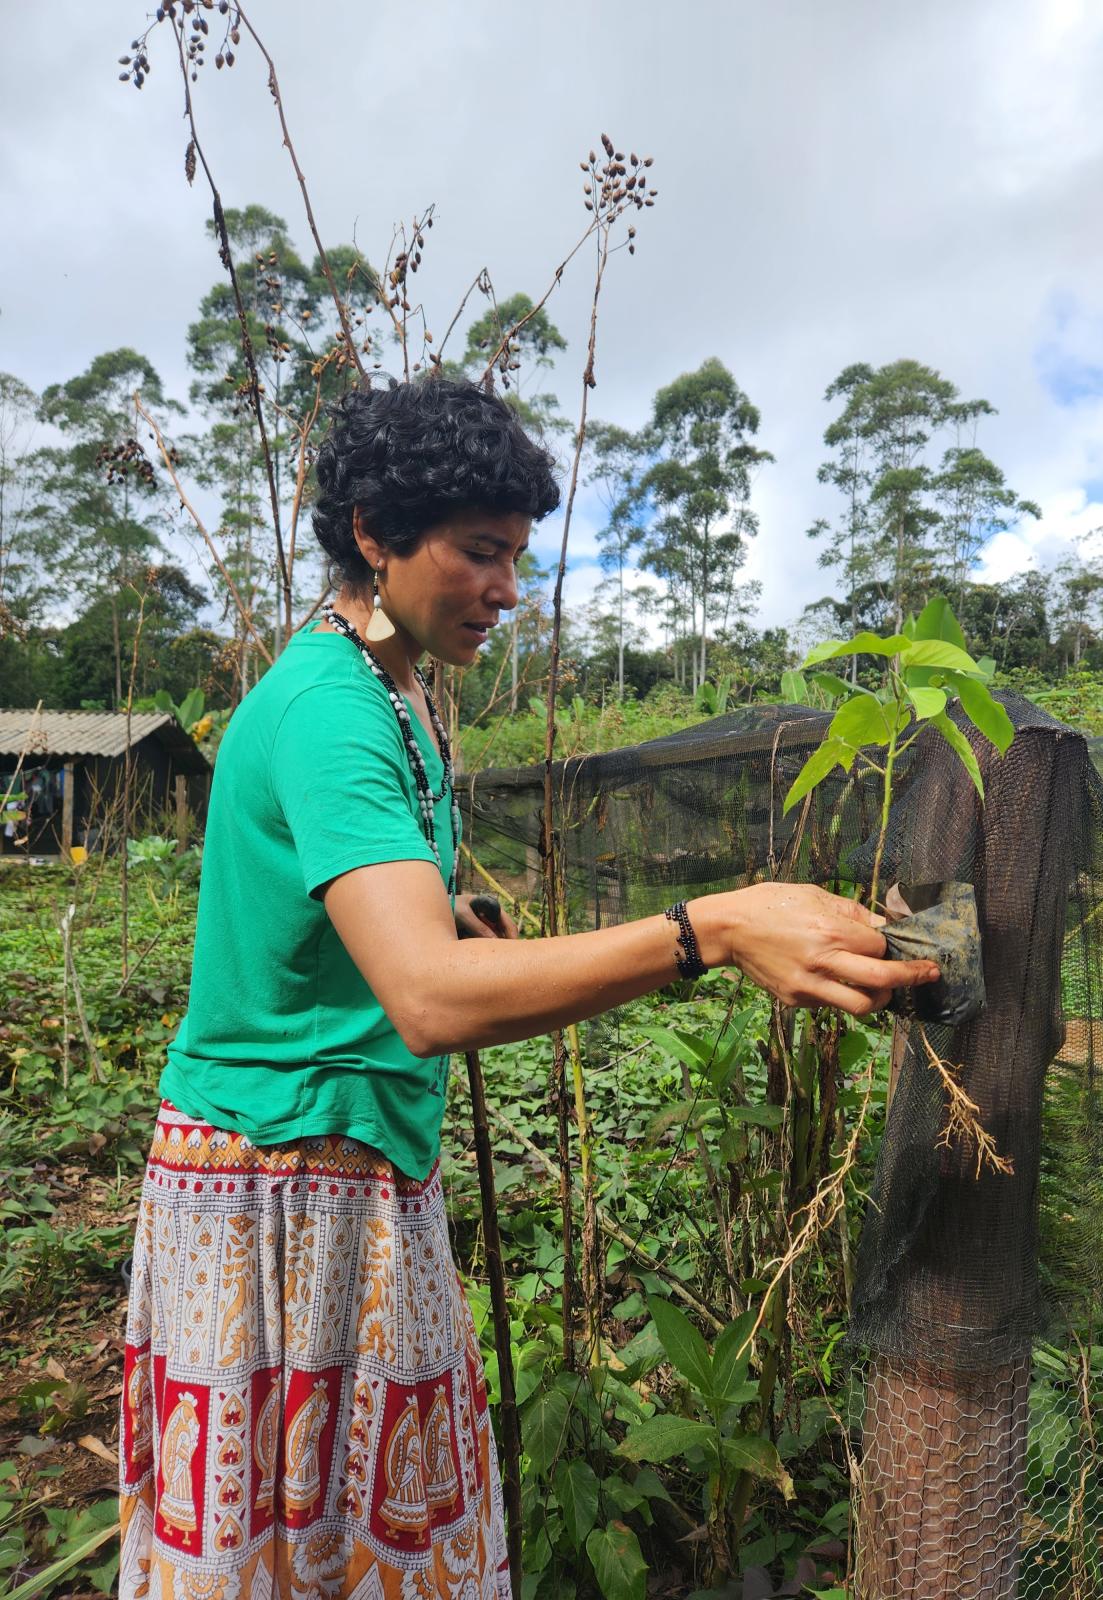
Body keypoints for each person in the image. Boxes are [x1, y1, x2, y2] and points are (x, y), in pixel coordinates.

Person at [117, 377, 937, 1600]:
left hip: (350, 1160)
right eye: (479, 554)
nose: (507, 590)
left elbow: (348, 891)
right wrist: (705, 928)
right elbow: (435, 1002)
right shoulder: (331, 712)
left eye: (516, 556)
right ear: (375, 535)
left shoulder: (393, 693)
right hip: (282, 1182)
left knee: (329, 1551)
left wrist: (434, 905)